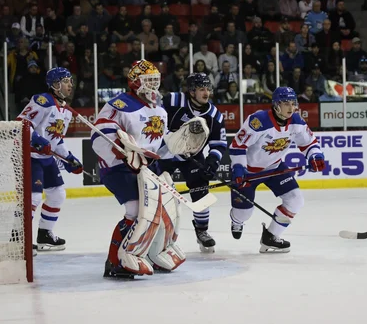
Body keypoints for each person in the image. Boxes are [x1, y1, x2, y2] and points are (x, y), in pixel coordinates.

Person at [91, 59, 190, 279]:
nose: (153, 85)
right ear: (136, 82)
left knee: (162, 209)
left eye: (156, 80)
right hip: (119, 168)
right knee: (136, 211)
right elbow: (98, 137)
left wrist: (181, 150)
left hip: (146, 167)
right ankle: (115, 261)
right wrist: (121, 152)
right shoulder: (119, 104)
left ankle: (153, 254)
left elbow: (159, 145)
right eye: (148, 80)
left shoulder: (159, 109)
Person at [228, 86, 326, 253]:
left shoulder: (296, 121)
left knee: (295, 200)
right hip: (249, 172)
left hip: (275, 168)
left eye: (293, 103)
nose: (291, 107)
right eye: (286, 103)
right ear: (276, 105)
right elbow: (238, 145)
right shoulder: (258, 121)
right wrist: (238, 167)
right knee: (244, 213)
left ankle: (271, 237)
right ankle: (237, 221)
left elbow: (309, 143)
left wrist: (315, 156)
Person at [16, 67, 83, 253]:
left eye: (71, 81)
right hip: (30, 156)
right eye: (66, 81)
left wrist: (69, 159)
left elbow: (56, 139)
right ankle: (20, 237)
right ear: (55, 84)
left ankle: (45, 234)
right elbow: (22, 122)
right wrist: (36, 139)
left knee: (58, 194)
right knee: (34, 197)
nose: (70, 84)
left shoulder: (67, 111)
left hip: (46, 158)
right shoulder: (42, 101)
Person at [158, 73, 226, 253]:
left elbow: (219, 144)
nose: (206, 93)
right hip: (164, 153)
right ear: (191, 91)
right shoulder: (172, 100)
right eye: (201, 89)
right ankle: (155, 230)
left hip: (192, 156)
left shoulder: (214, 115)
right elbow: (153, 118)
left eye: (208, 89)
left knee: (201, 191)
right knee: (157, 192)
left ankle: (202, 231)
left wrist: (212, 162)